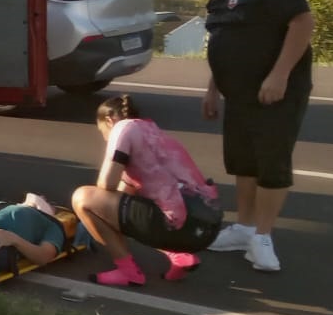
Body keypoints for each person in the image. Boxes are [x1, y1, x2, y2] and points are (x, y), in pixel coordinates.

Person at [173, 0, 315, 273]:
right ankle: (245, 228)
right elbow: (223, 45)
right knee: (243, 162)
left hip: (277, 93)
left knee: (271, 162)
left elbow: (302, 23)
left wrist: (279, 75)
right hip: (238, 95)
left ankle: (262, 237)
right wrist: (213, 89)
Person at [70, 94, 222, 285]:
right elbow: (120, 203)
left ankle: (129, 272)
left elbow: (106, 184)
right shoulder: (152, 131)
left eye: (102, 132)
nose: (105, 138)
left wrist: (93, 221)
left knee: (83, 198)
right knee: (132, 207)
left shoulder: (123, 128)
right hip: (206, 227)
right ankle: (179, 256)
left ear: (109, 121)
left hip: (181, 225)